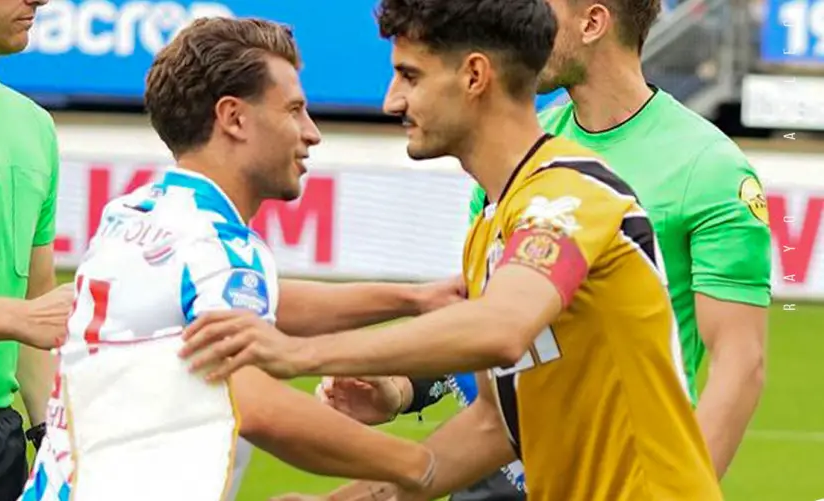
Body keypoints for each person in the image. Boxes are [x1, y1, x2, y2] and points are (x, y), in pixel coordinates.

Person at [180, 0, 724, 499]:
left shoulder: (570, 192)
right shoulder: (492, 225)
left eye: (409, 76)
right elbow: (493, 426)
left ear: (474, 76)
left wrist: (299, 353)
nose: (392, 100)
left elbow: (500, 329)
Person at [321, 0, 772, 496]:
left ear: (593, 23)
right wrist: (404, 388)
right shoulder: (521, 148)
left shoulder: (707, 168)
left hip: (615, 474)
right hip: (496, 463)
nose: (524, 23)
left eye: (540, 9)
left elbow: (740, 363)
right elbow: (488, 319)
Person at [20, 16, 461, 501]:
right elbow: (256, 404)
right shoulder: (220, 247)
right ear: (233, 118)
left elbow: (250, 300)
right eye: (294, 110)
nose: (311, 133)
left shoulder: (135, 212)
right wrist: (425, 465)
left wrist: (413, 298)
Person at [0, 1, 76, 499]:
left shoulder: (35, 126)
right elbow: (29, 316)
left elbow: (38, 305)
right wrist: (19, 317)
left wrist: (48, 435)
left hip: (0, 439)